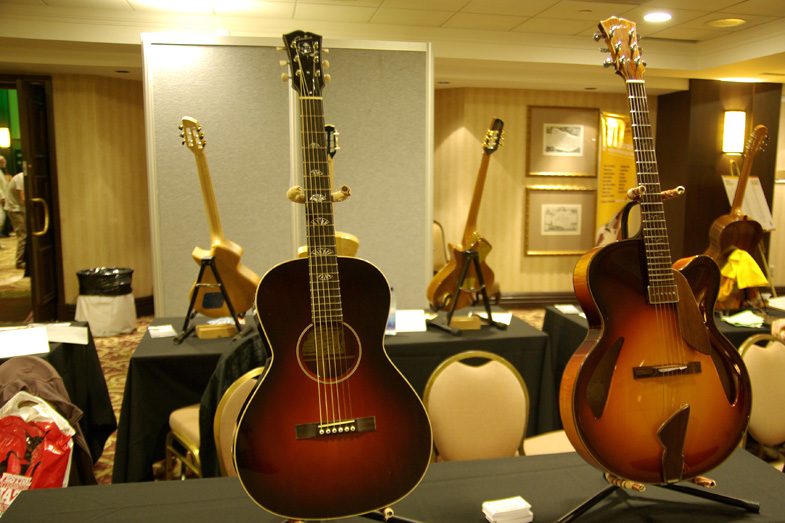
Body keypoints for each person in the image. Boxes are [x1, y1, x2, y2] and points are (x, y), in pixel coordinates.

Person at [3, 170, 26, 269]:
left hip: (19, 209)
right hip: (15, 210)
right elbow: (23, 199)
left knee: (25, 234)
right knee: (23, 234)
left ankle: (25, 259)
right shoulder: (21, 178)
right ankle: (20, 261)